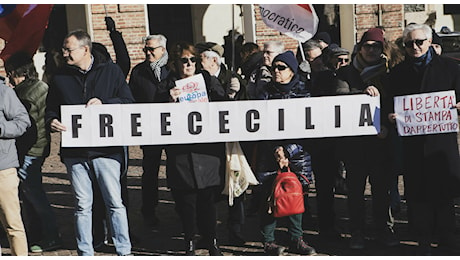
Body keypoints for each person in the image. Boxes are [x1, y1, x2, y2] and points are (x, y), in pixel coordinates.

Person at [45, 30, 133, 256]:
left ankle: (124, 249)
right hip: (76, 152)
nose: (64, 53)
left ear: (85, 49)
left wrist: (106, 103)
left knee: (115, 202)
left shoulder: (111, 72)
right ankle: (85, 251)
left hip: (107, 150)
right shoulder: (60, 77)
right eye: (64, 49)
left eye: (68, 49)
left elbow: (128, 102)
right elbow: (51, 108)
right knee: (83, 205)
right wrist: (52, 120)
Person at [388, 23, 460, 255]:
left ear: (430, 42)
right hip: (413, 144)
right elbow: (390, 102)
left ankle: (447, 236)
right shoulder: (397, 73)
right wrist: (391, 115)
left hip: (442, 143)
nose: (415, 47)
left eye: (420, 42)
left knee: (444, 192)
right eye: (410, 43)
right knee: (418, 194)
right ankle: (423, 239)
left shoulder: (451, 68)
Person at [157, 41, 227, 256]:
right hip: (181, 152)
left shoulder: (208, 80)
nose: (188, 65)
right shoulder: (166, 84)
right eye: (184, 61)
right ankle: (189, 240)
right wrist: (169, 100)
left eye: (192, 60)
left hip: (206, 150)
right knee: (186, 200)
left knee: (208, 199)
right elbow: (154, 113)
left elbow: (223, 102)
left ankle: (211, 240)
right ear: (176, 63)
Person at [335, 27, 398, 249]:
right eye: (367, 46)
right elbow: (340, 98)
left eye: (376, 46)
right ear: (359, 49)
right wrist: (360, 94)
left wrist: (388, 123)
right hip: (355, 144)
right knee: (355, 191)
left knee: (381, 190)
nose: (371, 50)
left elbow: (393, 102)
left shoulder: (389, 72)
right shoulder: (347, 72)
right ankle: (357, 231)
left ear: (382, 49)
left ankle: (383, 229)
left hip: (381, 141)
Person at [254, 51, 315, 256]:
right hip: (269, 152)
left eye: (281, 68)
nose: (276, 71)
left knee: (294, 197)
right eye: (274, 68)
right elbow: (258, 122)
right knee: (269, 197)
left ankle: (296, 239)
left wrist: (287, 150)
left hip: (298, 155)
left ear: (292, 71)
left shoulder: (305, 92)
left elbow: (310, 126)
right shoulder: (264, 92)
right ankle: (268, 241)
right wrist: (275, 150)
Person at [4, 51, 62, 253]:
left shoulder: (22, 93)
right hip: (40, 147)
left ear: (13, 73)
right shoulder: (41, 87)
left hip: (28, 150)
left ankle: (50, 235)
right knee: (30, 194)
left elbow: (21, 124)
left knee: (33, 195)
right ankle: (38, 233)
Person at [197, 42, 248, 246]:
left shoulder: (232, 79)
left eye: (201, 60)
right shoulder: (197, 79)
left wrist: (233, 97)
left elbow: (245, 105)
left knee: (235, 186)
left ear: (214, 60)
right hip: (207, 141)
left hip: (230, 141)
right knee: (207, 188)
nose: (198, 64)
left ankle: (235, 230)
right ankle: (208, 234)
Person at [129, 34, 170, 227]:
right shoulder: (139, 71)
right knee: (150, 170)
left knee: (176, 169)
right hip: (150, 127)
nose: (148, 52)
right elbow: (132, 99)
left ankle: (179, 206)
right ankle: (149, 210)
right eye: (146, 49)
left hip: (173, 128)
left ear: (162, 50)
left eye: (151, 49)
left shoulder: (174, 68)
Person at [0, 80, 30, 256]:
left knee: (13, 224)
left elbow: (23, 122)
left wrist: (1, 128)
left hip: (3, 169)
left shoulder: (4, 93)